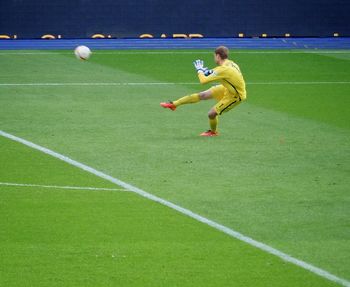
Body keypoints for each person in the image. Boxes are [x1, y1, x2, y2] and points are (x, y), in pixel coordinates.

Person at [160, 46, 246, 136]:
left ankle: (213, 132)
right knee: (203, 95)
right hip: (227, 88)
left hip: (236, 95)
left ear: (218, 56)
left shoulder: (223, 69)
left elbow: (203, 81)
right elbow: (217, 73)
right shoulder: (231, 64)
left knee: (211, 114)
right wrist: (205, 71)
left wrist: (199, 70)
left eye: (214, 56)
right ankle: (174, 104)